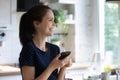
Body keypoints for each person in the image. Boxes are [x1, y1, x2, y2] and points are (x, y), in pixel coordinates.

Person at [19, 3, 72, 80]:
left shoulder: (55, 49)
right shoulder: (29, 49)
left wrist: (63, 67)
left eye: (54, 20)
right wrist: (52, 66)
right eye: (50, 20)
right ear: (37, 24)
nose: (54, 24)